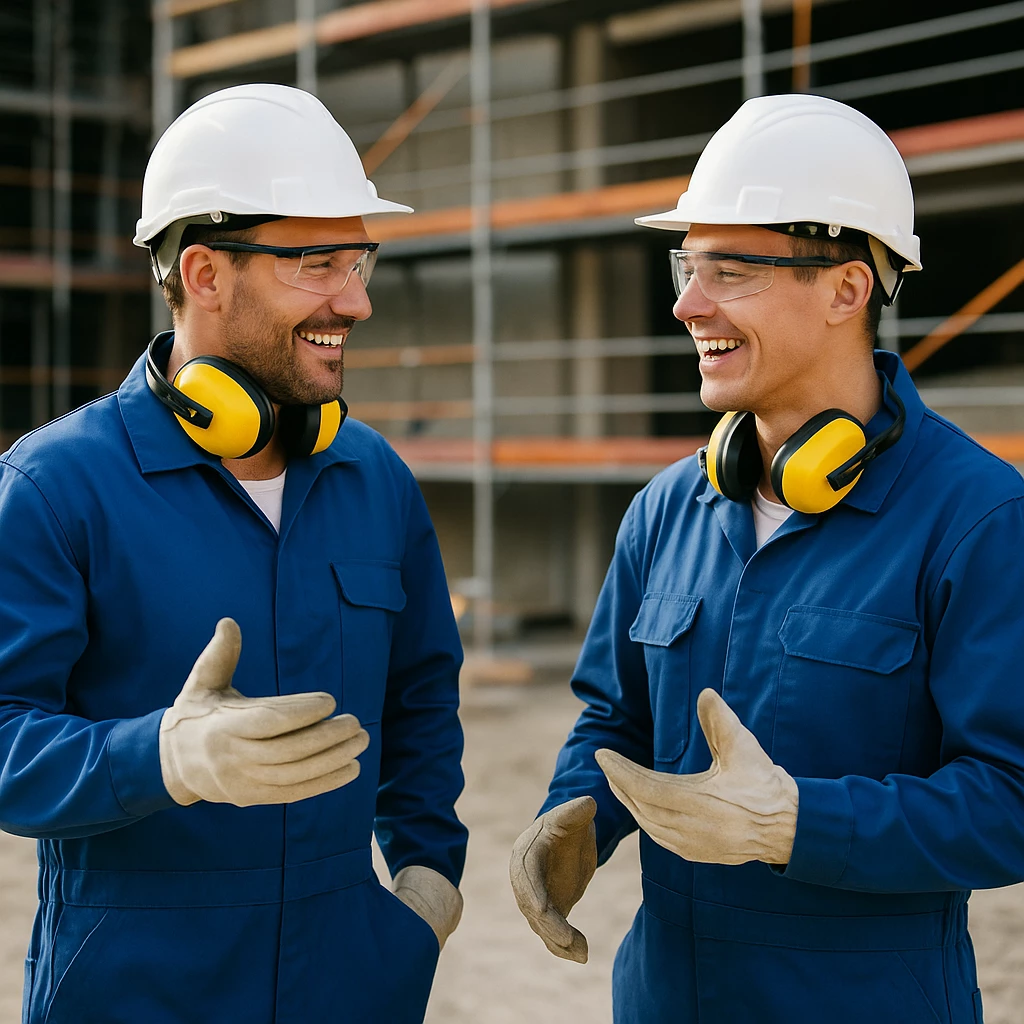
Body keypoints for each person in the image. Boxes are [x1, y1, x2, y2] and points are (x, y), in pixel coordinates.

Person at [510, 93, 1024, 1023]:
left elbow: (1011, 799)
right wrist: (576, 812)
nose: (684, 304)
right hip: (666, 998)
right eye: (687, 265)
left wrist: (797, 824)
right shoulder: (666, 510)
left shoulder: (977, 518)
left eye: (730, 271)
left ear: (846, 288)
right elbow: (613, 717)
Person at [0, 84, 466, 1024]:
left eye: (361, 260)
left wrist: (426, 883)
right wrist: (162, 759)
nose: (358, 300)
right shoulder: (55, 487)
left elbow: (421, 699)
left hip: (353, 988)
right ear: (205, 275)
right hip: (135, 994)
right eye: (320, 264)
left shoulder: (372, 479)